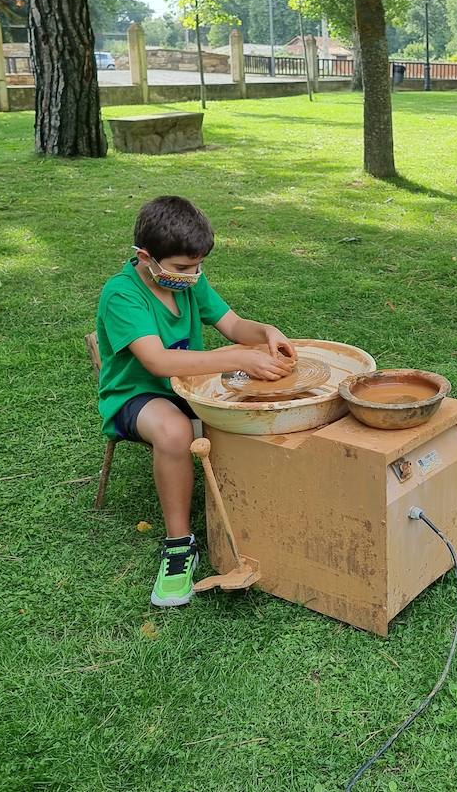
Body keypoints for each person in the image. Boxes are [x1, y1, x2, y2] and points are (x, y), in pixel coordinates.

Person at [96, 195, 296, 607]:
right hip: (137, 395)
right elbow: (157, 361)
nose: (193, 276)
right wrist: (235, 357)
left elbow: (233, 324)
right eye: (183, 268)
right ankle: (178, 545)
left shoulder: (188, 280)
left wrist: (265, 332)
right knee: (174, 431)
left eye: (198, 266)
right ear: (145, 256)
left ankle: (259, 515)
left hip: (191, 387)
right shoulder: (122, 294)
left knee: (254, 404)